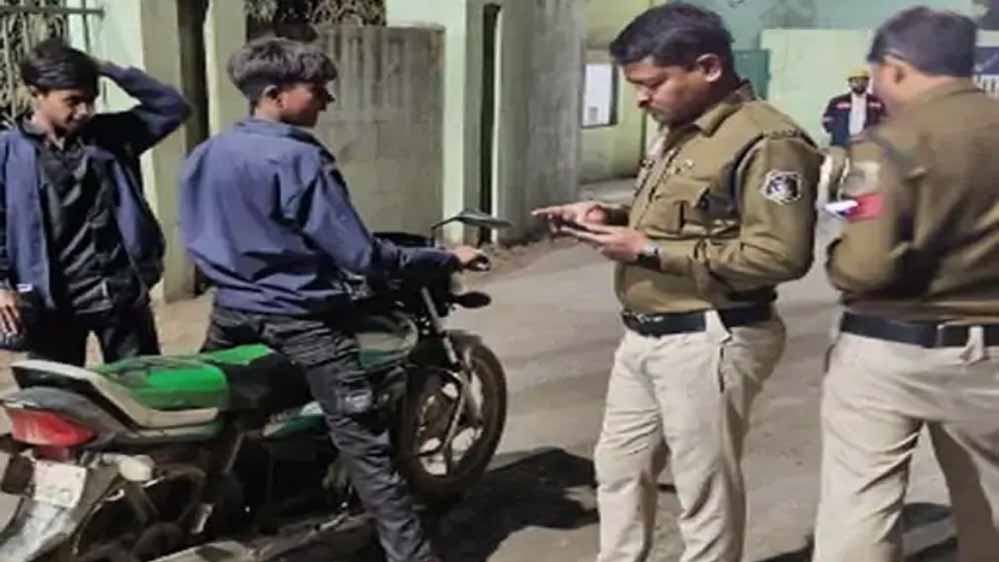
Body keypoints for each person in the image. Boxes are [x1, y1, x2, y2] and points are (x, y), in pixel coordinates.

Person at [534, 4, 822, 561]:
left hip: (711, 333)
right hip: (645, 332)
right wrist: (607, 216)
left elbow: (780, 256)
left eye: (652, 84)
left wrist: (648, 251)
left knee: (702, 488)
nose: (642, 100)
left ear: (708, 67)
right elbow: (684, 219)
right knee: (619, 470)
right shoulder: (682, 131)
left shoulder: (768, 141)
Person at [179, 37, 482, 562]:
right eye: (317, 89)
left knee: (227, 426)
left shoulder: (209, 152)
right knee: (367, 449)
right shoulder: (298, 158)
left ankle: (240, 514)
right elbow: (359, 255)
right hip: (302, 320)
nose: (327, 99)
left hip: (230, 311)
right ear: (275, 94)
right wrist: (442, 258)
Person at [815, 8, 999, 562]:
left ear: (894, 68)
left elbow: (866, 267)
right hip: (991, 350)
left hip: (889, 346)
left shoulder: (890, 143)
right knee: (988, 506)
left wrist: (838, 257)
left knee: (859, 505)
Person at [0, 38, 189, 365]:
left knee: (139, 383)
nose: (84, 111)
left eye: (90, 100)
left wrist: (107, 69)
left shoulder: (111, 136)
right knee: (56, 389)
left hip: (120, 294)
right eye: (72, 101)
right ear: (36, 93)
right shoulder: (8, 153)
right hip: (52, 302)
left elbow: (172, 107)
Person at [821, 68, 887, 147]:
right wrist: (837, 132)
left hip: (868, 144)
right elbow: (826, 119)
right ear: (849, 83)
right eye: (856, 81)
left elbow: (885, 122)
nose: (859, 84)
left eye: (862, 81)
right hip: (841, 144)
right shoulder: (837, 101)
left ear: (867, 83)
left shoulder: (877, 102)